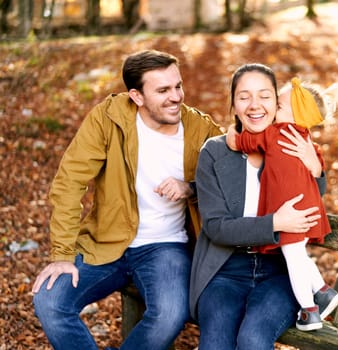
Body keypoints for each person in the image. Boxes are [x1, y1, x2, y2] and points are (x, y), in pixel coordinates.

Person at [31, 49, 223, 350]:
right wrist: (62, 254)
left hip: (166, 247)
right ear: (136, 96)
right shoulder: (108, 119)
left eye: (178, 86)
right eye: (163, 90)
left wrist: (191, 187)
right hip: (106, 241)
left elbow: (233, 176)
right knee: (50, 300)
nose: (176, 97)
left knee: (171, 313)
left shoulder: (201, 129)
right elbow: (70, 182)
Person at [189, 63, 328, 350]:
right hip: (226, 268)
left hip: (279, 270)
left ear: (278, 103)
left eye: (265, 96)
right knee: (216, 343)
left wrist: (315, 167)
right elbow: (216, 227)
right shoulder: (214, 152)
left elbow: (312, 203)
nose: (255, 105)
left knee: (253, 339)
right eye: (244, 97)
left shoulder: (293, 145)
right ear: (233, 105)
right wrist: (274, 223)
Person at [225, 77, 338, 331]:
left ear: (294, 115)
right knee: (298, 255)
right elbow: (317, 166)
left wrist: (230, 134)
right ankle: (324, 292)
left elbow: (240, 142)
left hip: (290, 211)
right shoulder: (305, 138)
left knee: (293, 259)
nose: (273, 111)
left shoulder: (273, 134)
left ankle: (309, 310)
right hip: (307, 207)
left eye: (278, 107)